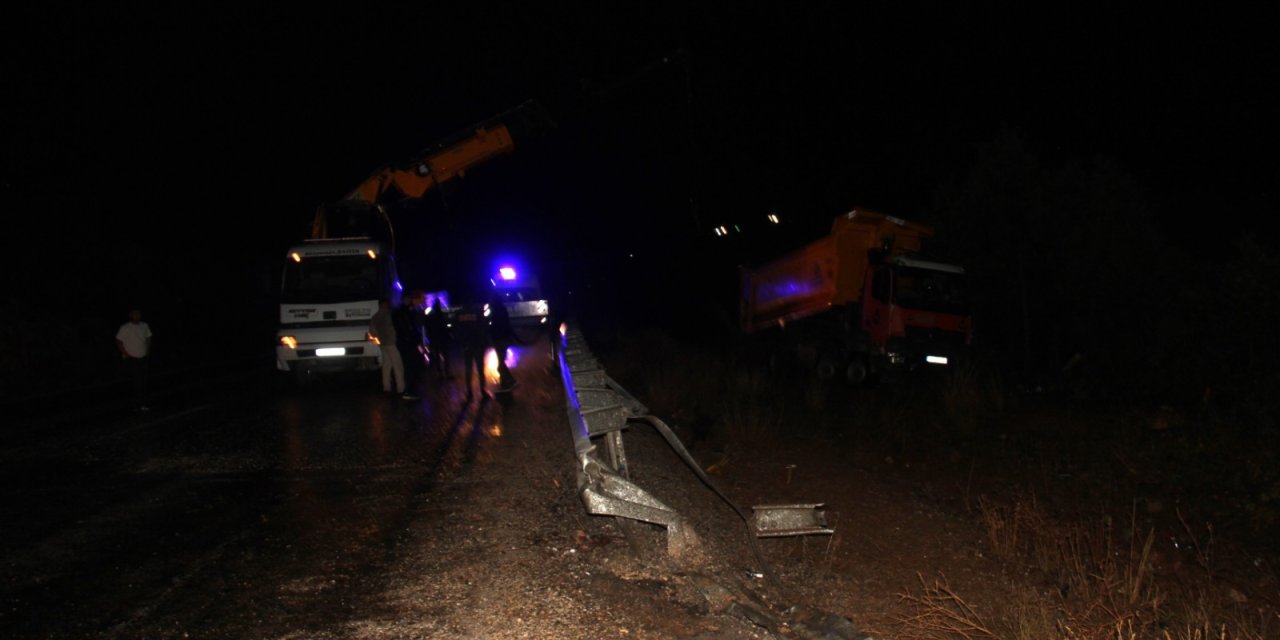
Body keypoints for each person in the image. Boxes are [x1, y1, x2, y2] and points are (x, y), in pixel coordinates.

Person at [115, 307, 153, 412]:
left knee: (143, 381)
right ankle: (136, 405)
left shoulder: (144, 325)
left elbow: (149, 337)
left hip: (143, 358)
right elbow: (118, 340)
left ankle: (141, 404)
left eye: (138, 314)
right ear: (130, 315)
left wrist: (147, 350)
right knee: (135, 382)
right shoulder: (125, 327)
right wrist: (125, 353)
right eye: (135, 314)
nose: (137, 316)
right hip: (131, 358)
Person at [451, 301, 489, 401]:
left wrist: (461, 342)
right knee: (480, 369)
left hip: (466, 345)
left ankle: (469, 392)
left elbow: (455, 328)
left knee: (468, 369)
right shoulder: (477, 312)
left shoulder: (458, 314)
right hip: (477, 344)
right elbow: (484, 327)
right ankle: (483, 390)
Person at [393, 292, 427, 400]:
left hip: (407, 342)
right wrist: (412, 339)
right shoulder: (404, 312)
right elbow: (408, 327)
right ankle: (409, 391)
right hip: (408, 343)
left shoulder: (402, 311)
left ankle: (410, 390)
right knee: (410, 367)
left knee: (410, 367)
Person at [368, 298, 404, 395]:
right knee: (397, 365)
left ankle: (386, 387)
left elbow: (372, 332)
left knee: (386, 366)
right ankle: (401, 388)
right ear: (386, 305)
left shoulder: (375, 317)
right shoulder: (390, 315)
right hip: (392, 342)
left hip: (383, 343)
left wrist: (380, 338)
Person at [488, 292, 517, 392]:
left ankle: (509, 380)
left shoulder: (496, 311)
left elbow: (496, 326)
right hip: (503, 339)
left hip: (500, 339)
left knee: (501, 363)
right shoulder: (501, 309)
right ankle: (505, 381)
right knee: (501, 362)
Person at [424, 296, 452, 379]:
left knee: (437, 356)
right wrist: (448, 335)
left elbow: (428, 327)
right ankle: (447, 373)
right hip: (442, 338)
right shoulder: (441, 314)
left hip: (434, 338)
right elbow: (445, 326)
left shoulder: (430, 315)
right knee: (445, 356)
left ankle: (440, 374)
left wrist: (430, 337)